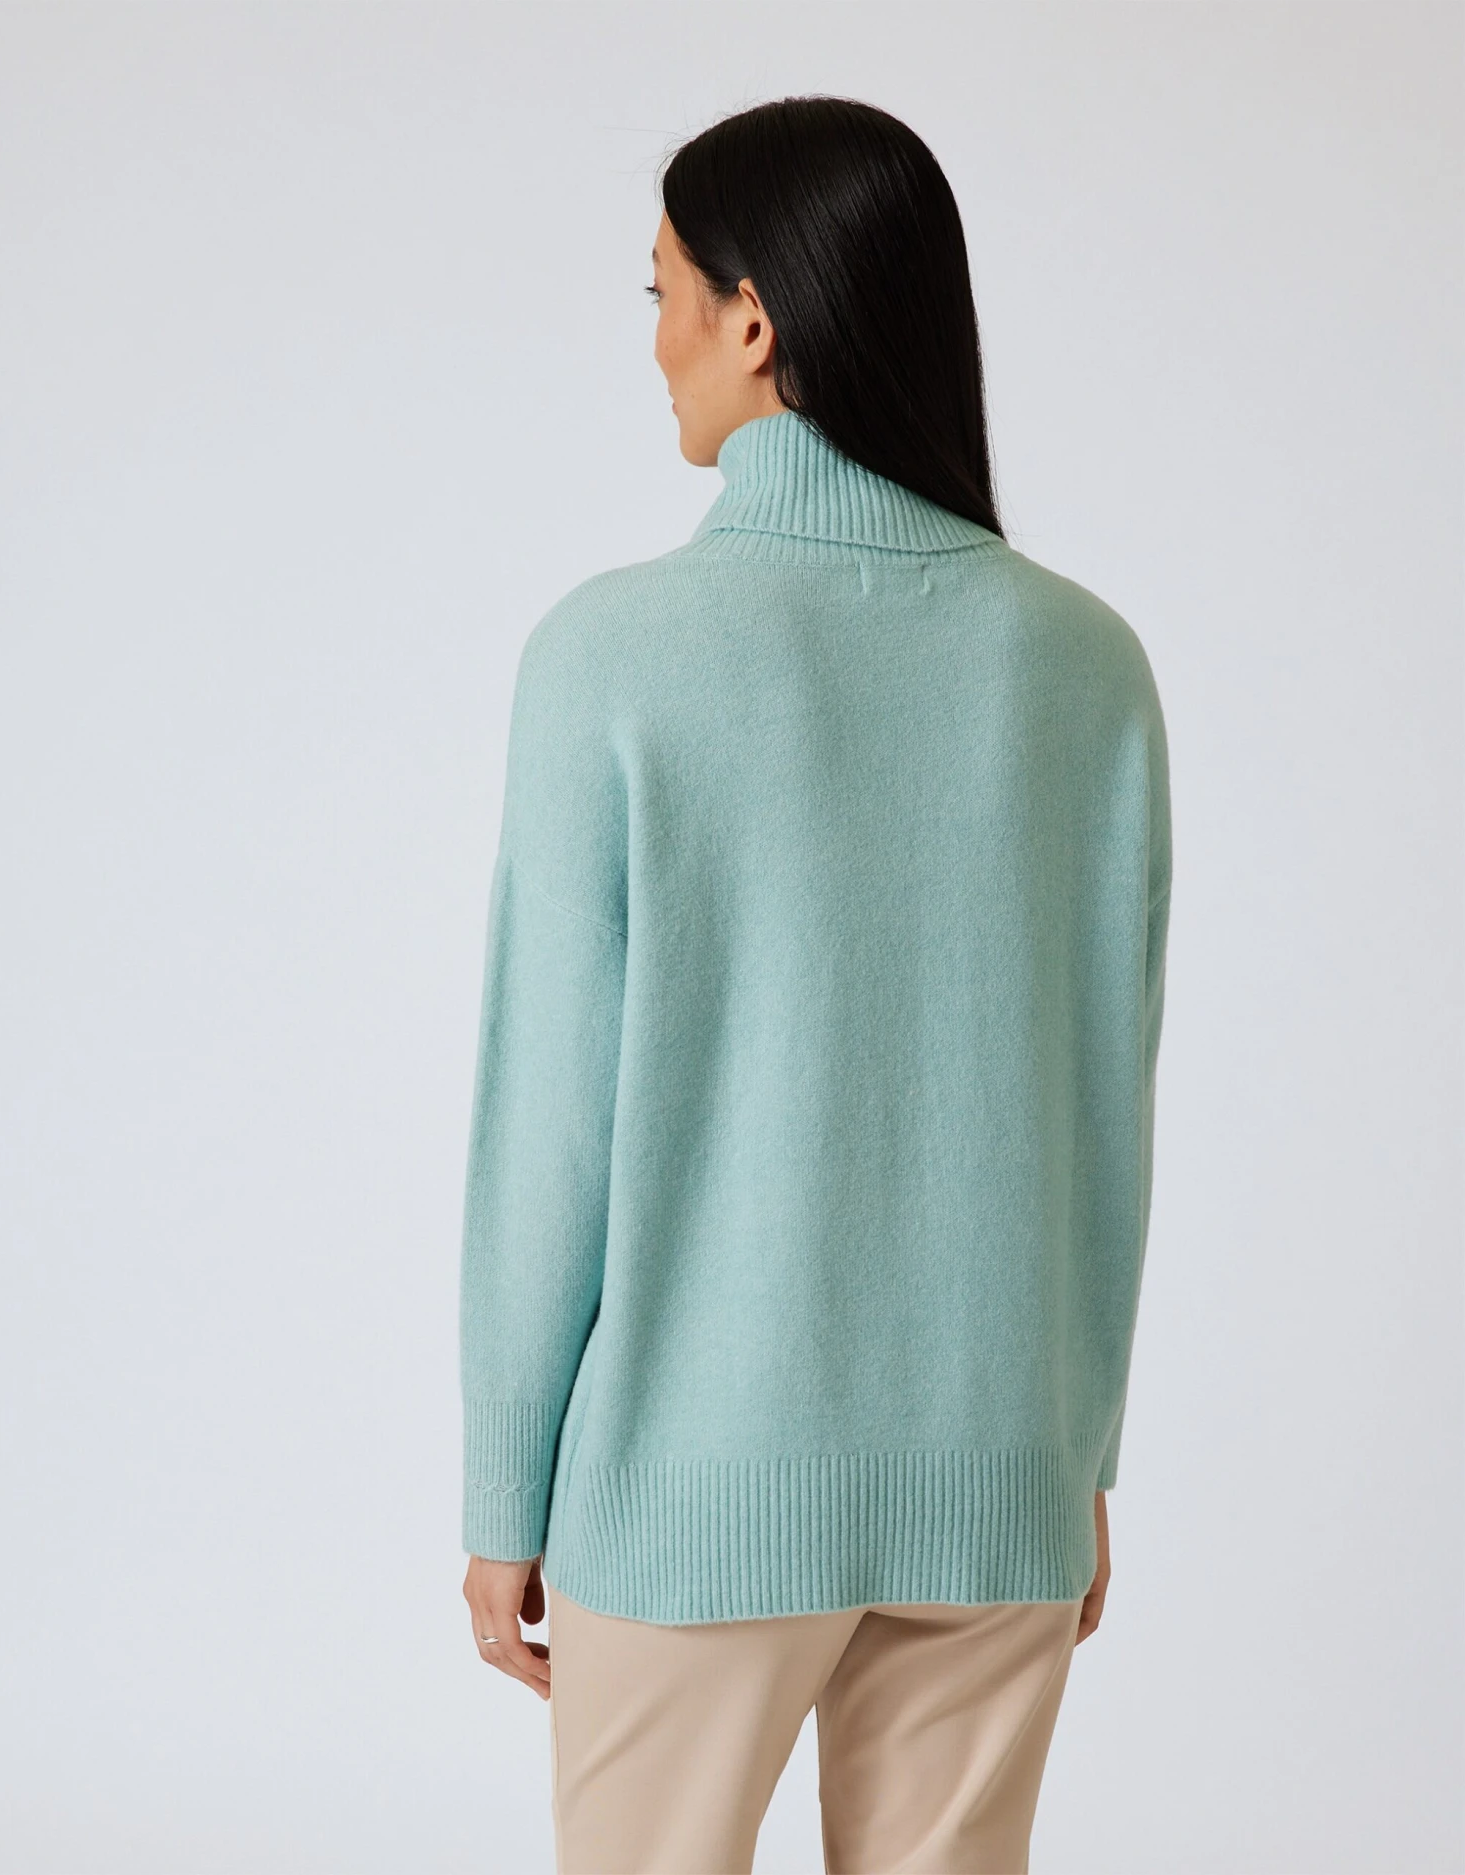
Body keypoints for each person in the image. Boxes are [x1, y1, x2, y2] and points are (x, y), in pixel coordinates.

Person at [458, 94, 1172, 1875]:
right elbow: (1104, 1109)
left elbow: (551, 1119)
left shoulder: (611, 657)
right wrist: (1072, 1453)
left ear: (756, 318)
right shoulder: (1089, 669)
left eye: (664, 295)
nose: (655, 342)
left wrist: (506, 1487)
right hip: (993, 1486)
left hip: (690, 1492)